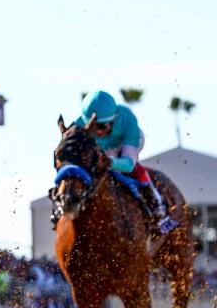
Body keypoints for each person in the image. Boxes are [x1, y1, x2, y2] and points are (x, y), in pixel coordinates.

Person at [75, 90, 178, 234]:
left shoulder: (127, 118)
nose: (98, 132)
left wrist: (110, 163)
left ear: (113, 119)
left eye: (102, 126)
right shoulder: (78, 125)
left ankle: (157, 205)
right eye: (93, 127)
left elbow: (128, 164)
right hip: (103, 149)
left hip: (126, 142)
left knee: (132, 168)